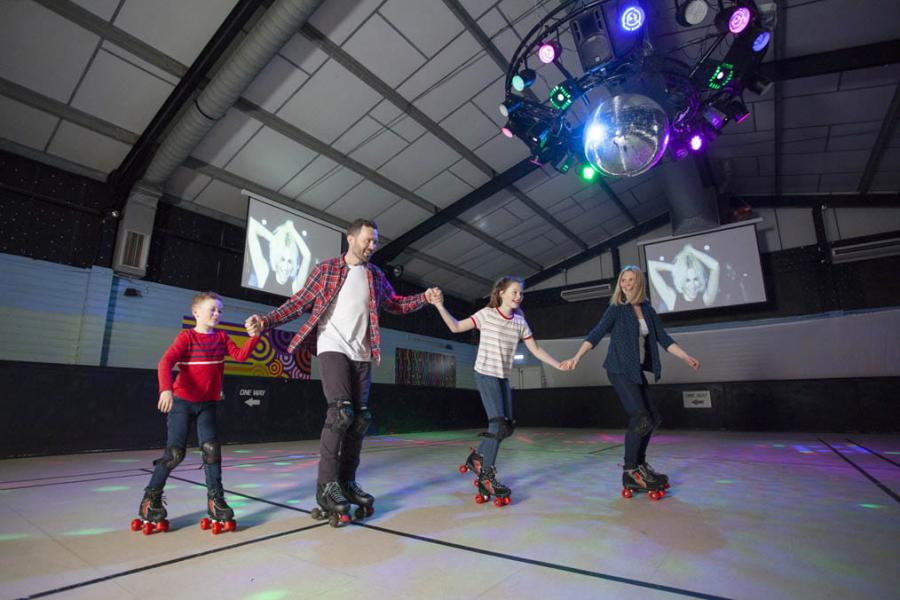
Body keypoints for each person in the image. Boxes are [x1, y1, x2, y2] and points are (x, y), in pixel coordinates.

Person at [245, 219, 439, 525]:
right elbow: (299, 303)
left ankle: (347, 482)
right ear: (350, 239)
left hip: (363, 351)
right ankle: (326, 487)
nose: (371, 246)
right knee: (340, 413)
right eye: (367, 240)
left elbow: (395, 304)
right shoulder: (326, 270)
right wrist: (266, 321)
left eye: (375, 241)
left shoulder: (375, 275)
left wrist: (423, 299)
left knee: (359, 420)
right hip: (332, 345)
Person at [560, 266, 700, 496]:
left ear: (639, 283)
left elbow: (664, 339)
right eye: (623, 280)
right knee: (640, 417)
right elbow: (596, 333)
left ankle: (641, 465)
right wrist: (576, 357)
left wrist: (686, 356)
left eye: (631, 280)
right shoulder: (617, 309)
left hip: (635, 371)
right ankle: (629, 470)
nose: (626, 283)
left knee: (653, 417)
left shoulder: (648, 310)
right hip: (618, 370)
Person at [430, 277, 566, 507]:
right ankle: (486, 477)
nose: (517, 296)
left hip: (503, 377)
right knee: (498, 425)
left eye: (520, 294)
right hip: (485, 373)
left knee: (507, 427)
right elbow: (455, 327)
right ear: (501, 293)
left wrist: (558, 364)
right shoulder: (486, 314)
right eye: (514, 292)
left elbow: (536, 348)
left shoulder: (520, 322)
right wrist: (439, 305)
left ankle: (477, 458)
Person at [134, 292, 261, 534]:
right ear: (196, 313)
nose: (217, 314)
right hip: (182, 402)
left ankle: (216, 501)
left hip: (207, 404)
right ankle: (150, 500)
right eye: (212, 309)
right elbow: (165, 363)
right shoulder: (187, 338)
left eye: (220, 311)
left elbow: (240, 355)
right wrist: (166, 390)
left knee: (212, 452)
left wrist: (253, 338)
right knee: (174, 454)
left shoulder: (222, 337)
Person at [245, 217, 312, 296]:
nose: (286, 266)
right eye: (282, 259)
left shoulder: (295, 286)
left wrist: (291, 229)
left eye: (290, 261)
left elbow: (307, 256)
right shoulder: (264, 274)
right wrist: (274, 240)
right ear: (276, 259)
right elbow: (252, 225)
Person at [647, 244, 720, 312]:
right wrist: (675, 268)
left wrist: (691, 250)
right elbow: (650, 266)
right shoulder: (672, 299)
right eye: (687, 280)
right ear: (681, 281)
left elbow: (715, 266)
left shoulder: (706, 299)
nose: (693, 285)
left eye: (696, 279)